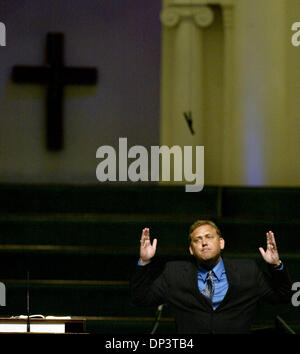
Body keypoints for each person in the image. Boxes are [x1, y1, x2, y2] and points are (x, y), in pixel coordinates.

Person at [130, 220, 292, 334]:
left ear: (221, 243)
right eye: (197, 240)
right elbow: (141, 298)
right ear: (191, 250)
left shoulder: (247, 271)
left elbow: (282, 296)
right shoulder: (174, 273)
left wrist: (276, 265)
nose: (204, 243)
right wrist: (144, 261)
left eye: (209, 237)